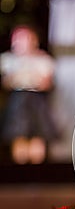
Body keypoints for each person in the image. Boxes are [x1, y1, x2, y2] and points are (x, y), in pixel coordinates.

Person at [0, 24, 58, 163]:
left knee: (38, 137)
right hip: (18, 100)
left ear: (34, 40)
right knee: (18, 136)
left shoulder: (43, 59)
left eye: (25, 38)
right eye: (18, 39)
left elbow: (47, 83)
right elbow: (6, 82)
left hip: (36, 100)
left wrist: (28, 78)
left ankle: (38, 174)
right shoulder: (8, 59)